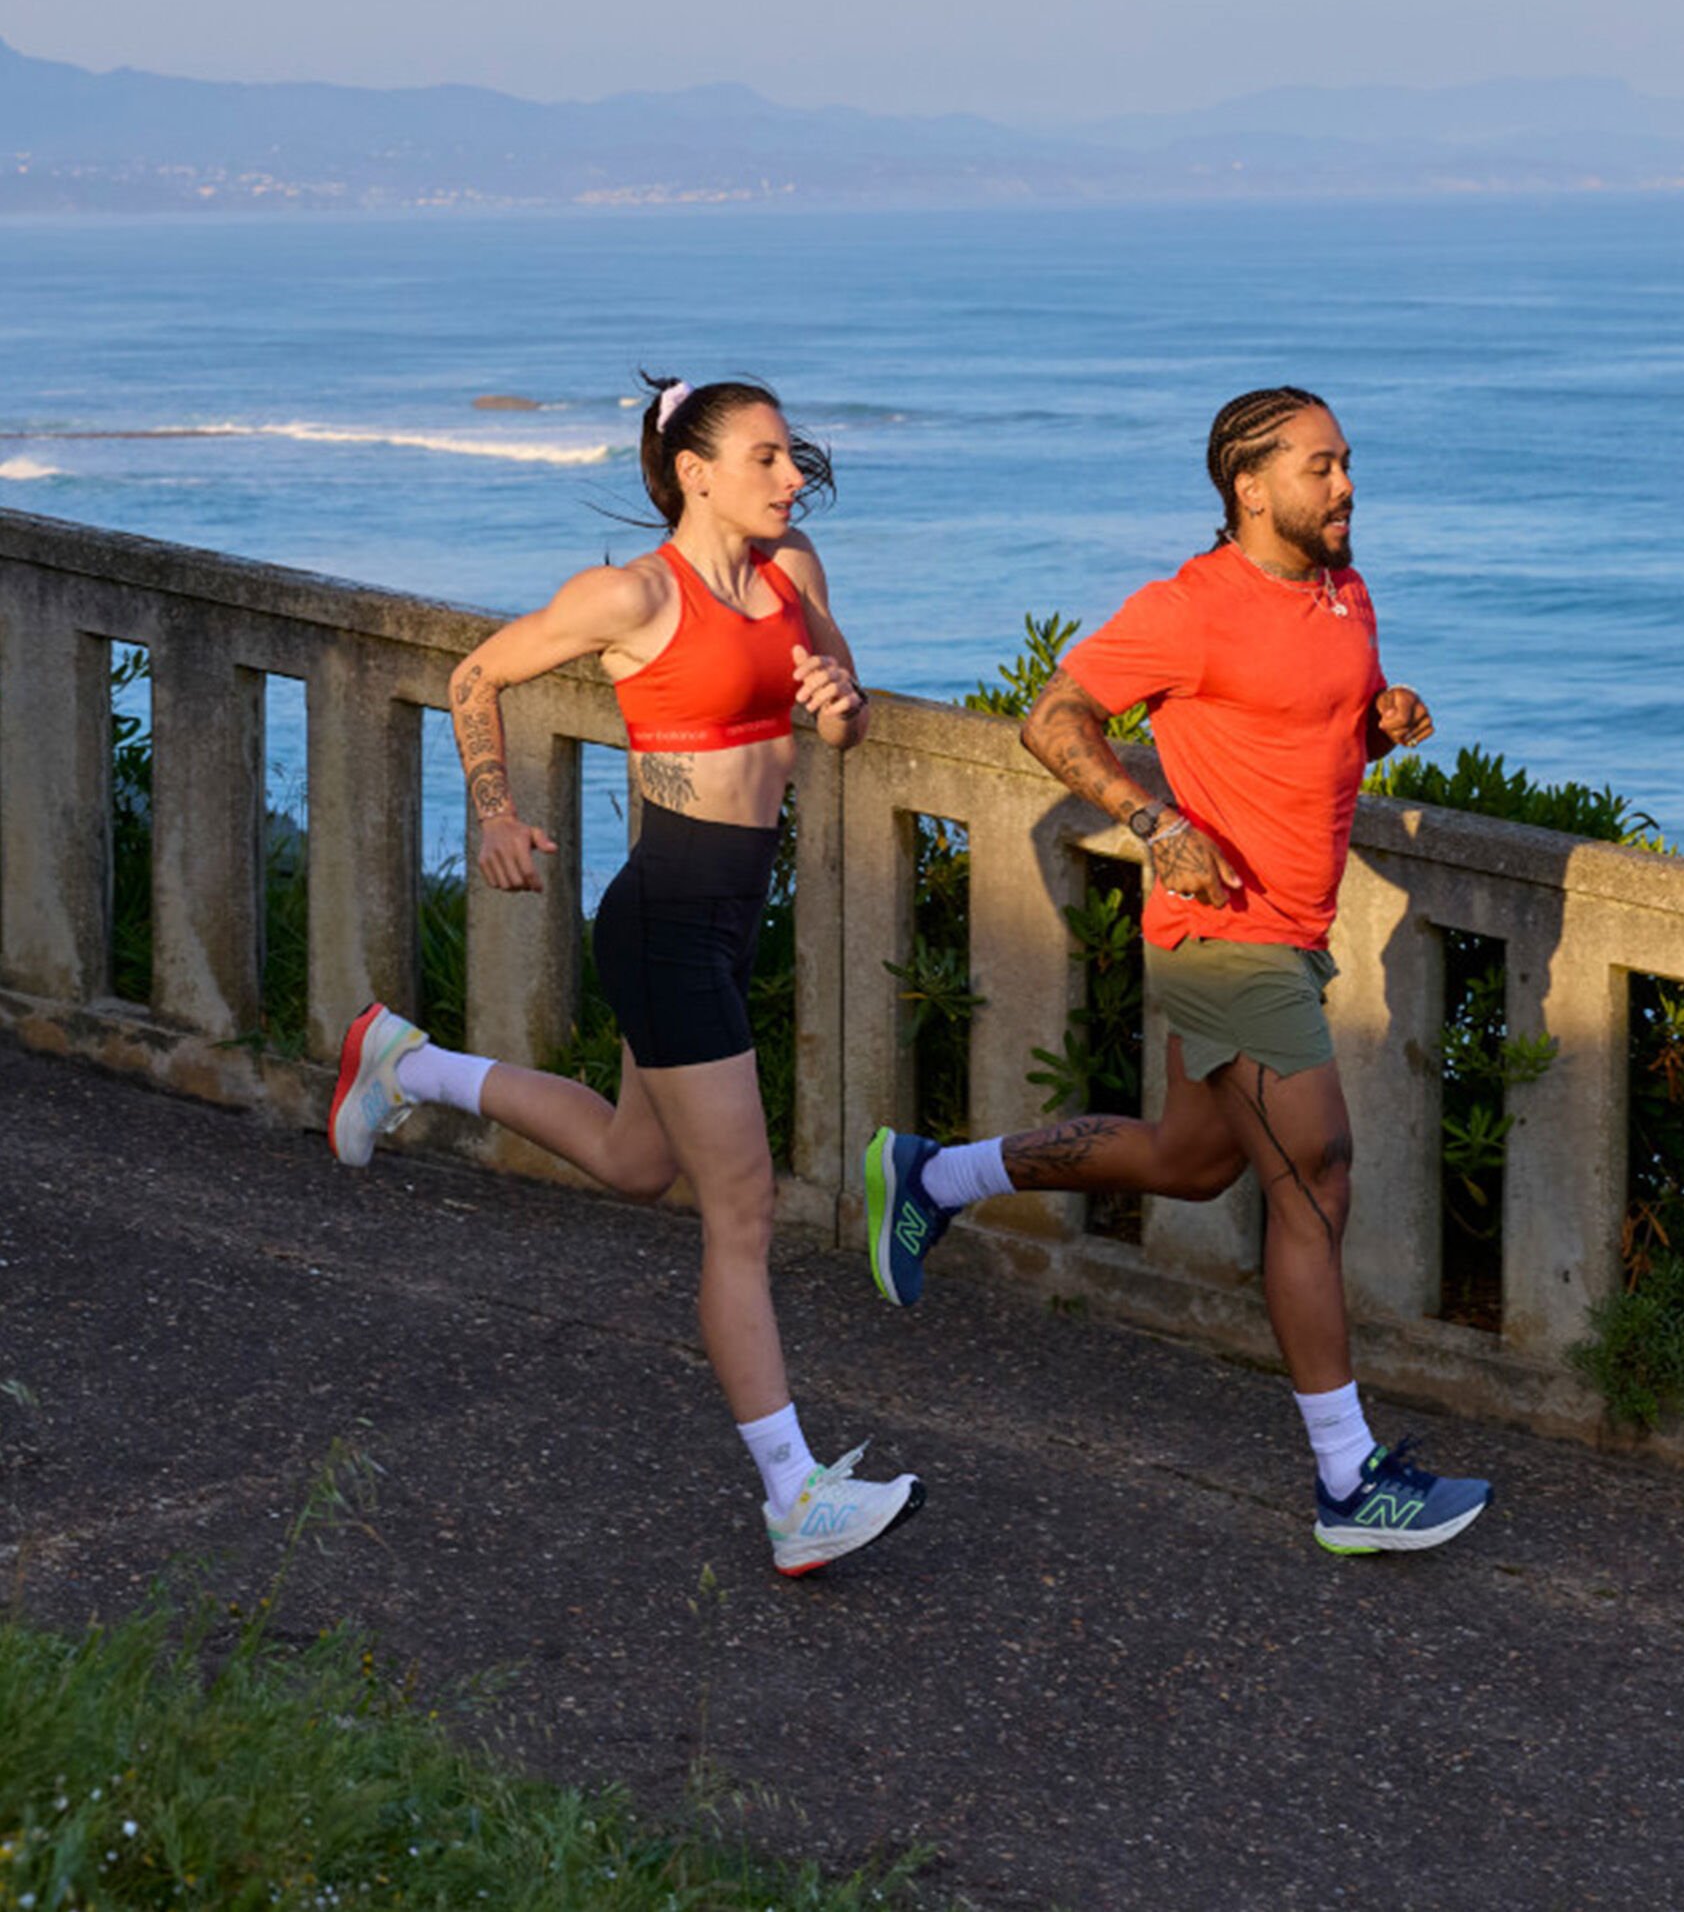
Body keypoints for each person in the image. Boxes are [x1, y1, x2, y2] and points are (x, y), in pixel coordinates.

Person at [865, 386, 1491, 1555]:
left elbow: (1306, 726)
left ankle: (931, 1178)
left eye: (1347, 462)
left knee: (1191, 1161)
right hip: (1222, 936)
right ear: (1248, 487)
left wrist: (1378, 719)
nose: (1346, 484)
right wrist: (1151, 822)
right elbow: (1052, 717)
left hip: (1296, 930)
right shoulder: (1188, 609)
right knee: (1318, 1176)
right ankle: (1349, 1482)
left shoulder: (1343, 591)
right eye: (1320, 467)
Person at [329, 372, 923, 1576]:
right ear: (694, 471)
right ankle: (790, 1492)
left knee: (635, 1160)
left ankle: (408, 1063)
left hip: (731, 913)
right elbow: (475, 675)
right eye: (764, 457)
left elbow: (847, 719)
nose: (790, 475)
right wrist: (494, 813)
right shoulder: (628, 595)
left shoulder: (794, 573)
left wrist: (839, 703)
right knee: (742, 1208)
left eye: (790, 457)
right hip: (662, 916)